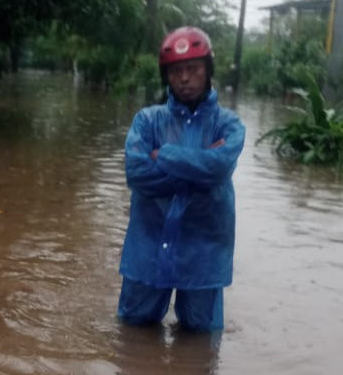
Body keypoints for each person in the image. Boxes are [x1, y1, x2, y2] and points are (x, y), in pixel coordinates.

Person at [117, 26, 246, 331]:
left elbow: (219, 167)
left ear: (208, 70)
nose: (185, 78)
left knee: (200, 342)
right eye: (176, 71)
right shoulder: (147, 120)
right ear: (166, 76)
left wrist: (162, 155)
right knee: (131, 336)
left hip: (204, 251)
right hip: (147, 247)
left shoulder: (229, 124)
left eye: (193, 69)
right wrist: (199, 166)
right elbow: (136, 172)